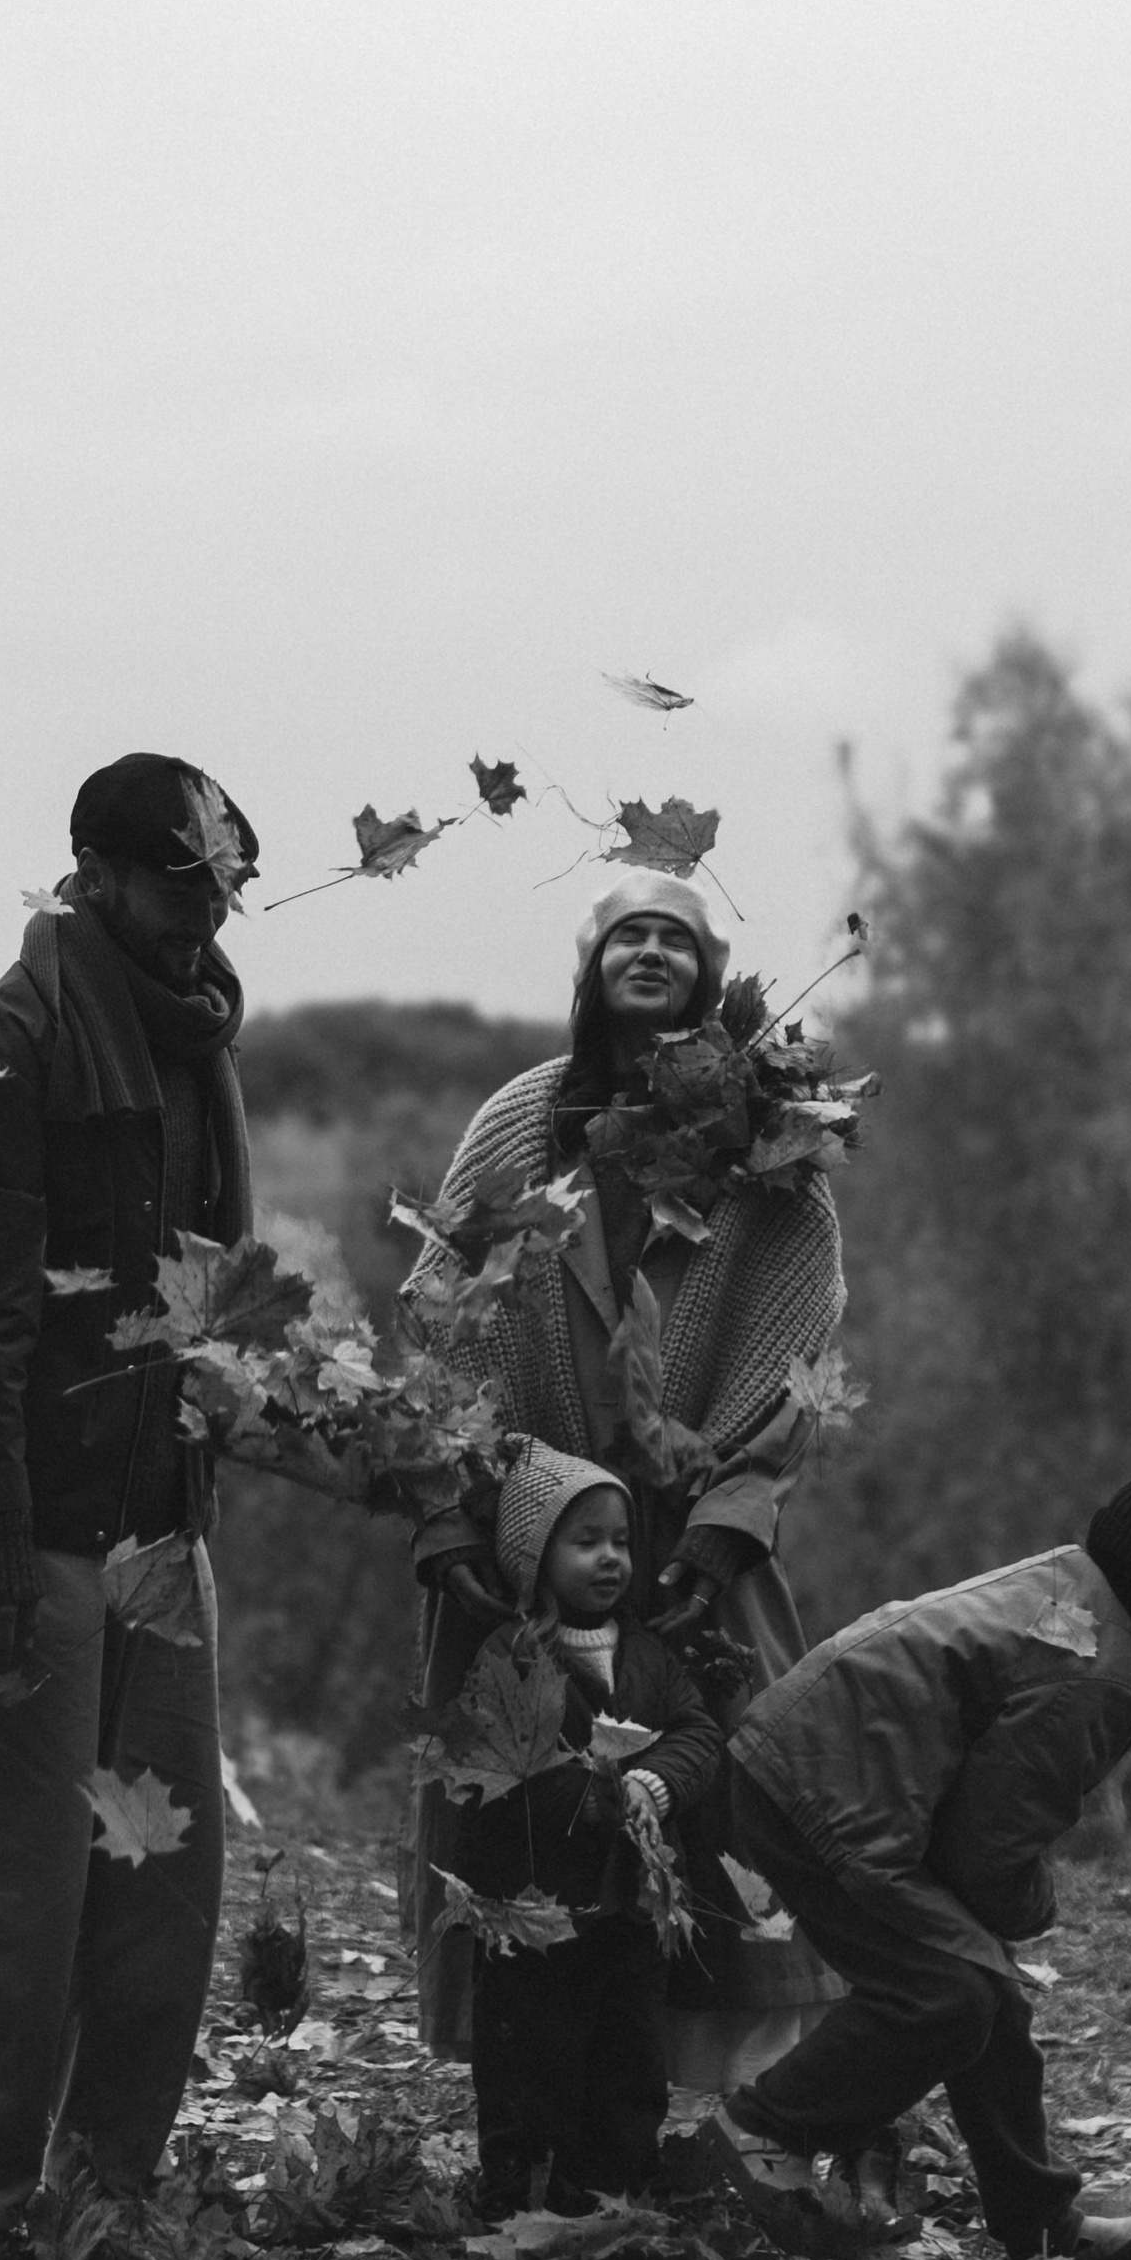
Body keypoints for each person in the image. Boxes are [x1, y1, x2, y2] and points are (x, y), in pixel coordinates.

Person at [0, 753, 259, 2260]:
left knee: (160, 1884)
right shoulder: (2, 1057)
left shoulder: (193, 1037)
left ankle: (108, 2185)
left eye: (222, 883)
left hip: (160, 1514)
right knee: (7, 1886)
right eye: (177, 881)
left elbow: (201, 1288)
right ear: (91, 872)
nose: (203, 909)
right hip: (15, 1516)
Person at [403, 870, 848, 2062]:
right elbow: (441, 1309)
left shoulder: (768, 1141)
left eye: (676, 939)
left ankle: (713, 2096)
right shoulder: (519, 1120)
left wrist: (727, 1515)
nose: (649, 953)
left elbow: (797, 1335)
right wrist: (454, 1509)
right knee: (521, 1801)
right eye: (626, 935)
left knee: (728, 1785)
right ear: (591, 966)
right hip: (527, 1525)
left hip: (694, 1526)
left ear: (710, 975)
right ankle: (535, 2086)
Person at [695, 1428, 1131, 2260]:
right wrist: (1030, 1904)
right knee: (951, 1994)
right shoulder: (1100, 1677)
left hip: (816, 1764)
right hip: (823, 1791)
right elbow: (986, 1849)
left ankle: (1034, 2217)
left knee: (988, 1990)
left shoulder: (1071, 1584)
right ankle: (760, 2130)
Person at [443, 1444, 725, 2215]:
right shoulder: (511, 1656)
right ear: (536, 1558)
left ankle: (612, 2188)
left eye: (622, 1542)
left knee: (630, 2052)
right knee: (530, 2052)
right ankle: (520, 2190)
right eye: (587, 1541)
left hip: (631, 1910)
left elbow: (699, 1733)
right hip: (534, 1913)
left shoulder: (649, 1654)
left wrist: (652, 1783)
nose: (610, 1559)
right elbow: (505, 1772)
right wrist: (597, 1795)